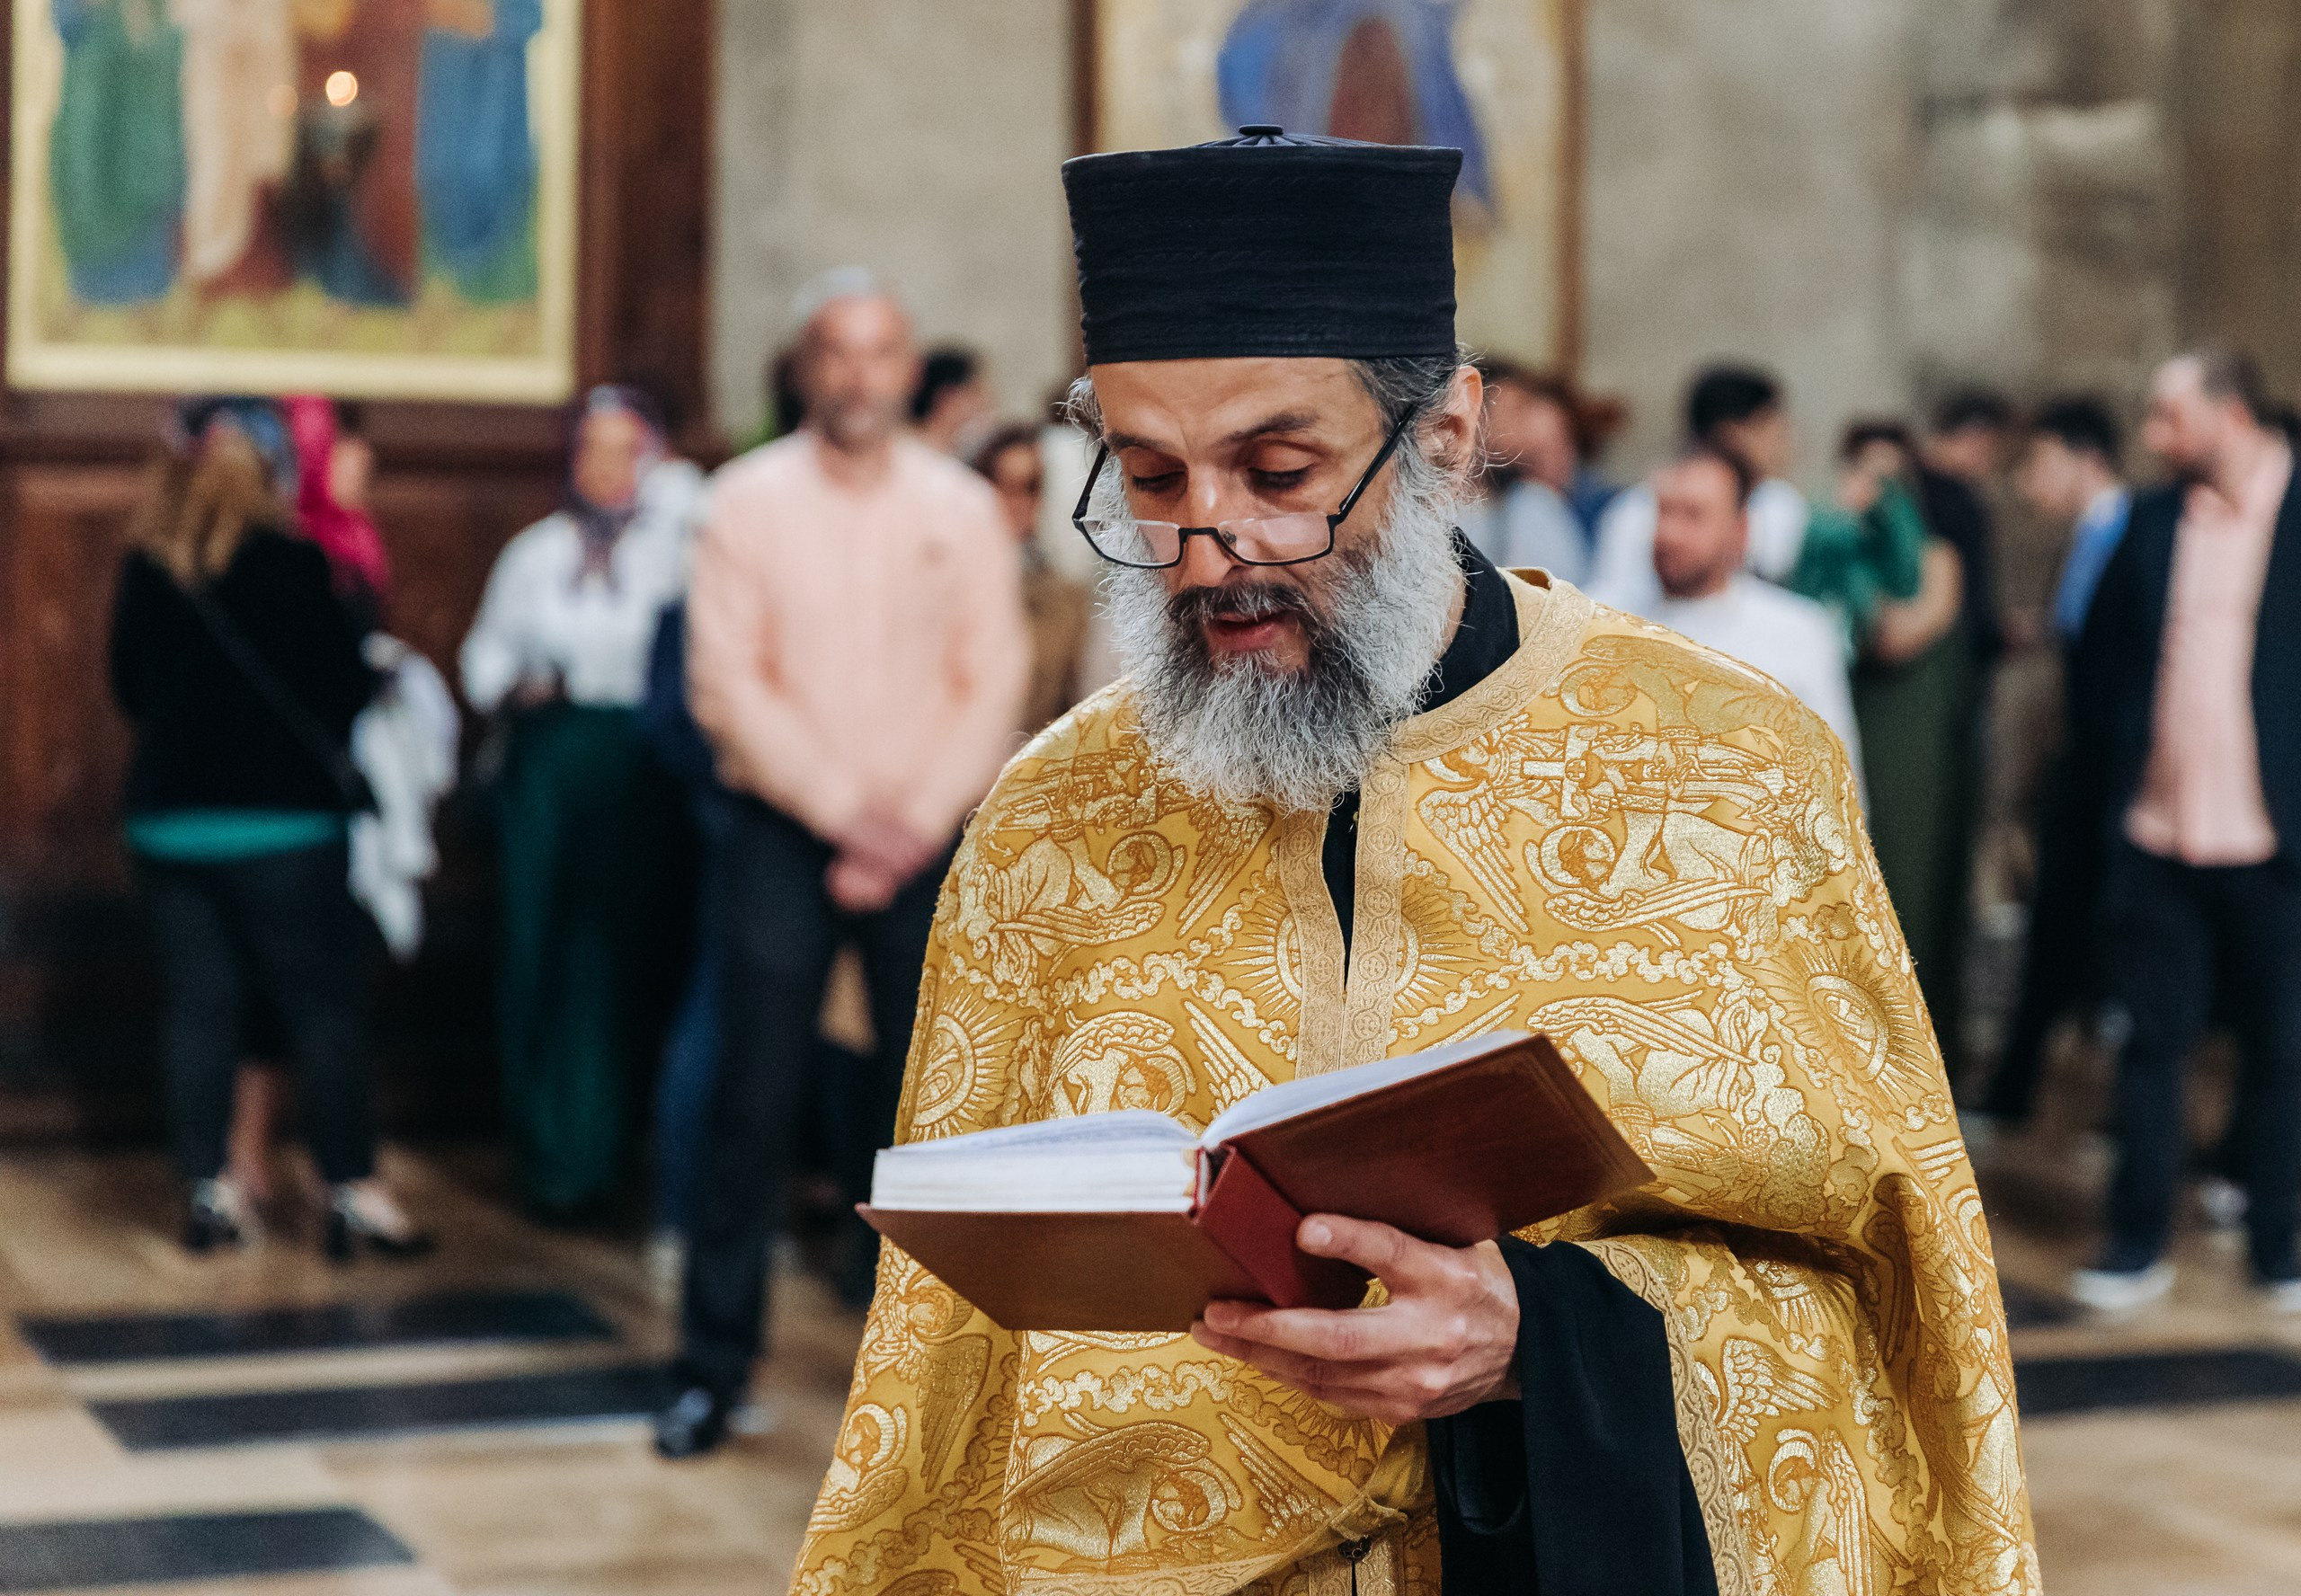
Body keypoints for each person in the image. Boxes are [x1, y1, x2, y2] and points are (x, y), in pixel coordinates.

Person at [789, 131, 2035, 1593]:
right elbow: (934, 1400)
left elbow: (1891, 1323)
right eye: (1149, 477)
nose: (1205, 551)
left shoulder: (1725, 771)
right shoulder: (1048, 821)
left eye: (1276, 471)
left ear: (1444, 433)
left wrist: (1540, 1342)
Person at [658, 273, 1028, 1457]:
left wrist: (910, 821)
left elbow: (994, 677)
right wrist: (839, 812)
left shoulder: (961, 506)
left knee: (923, 1111)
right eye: (837, 353)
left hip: (925, 833)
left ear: (906, 366)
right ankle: (712, 1370)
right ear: (807, 368)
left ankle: (921, 1396)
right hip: (782, 827)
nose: (859, 376)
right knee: (750, 1105)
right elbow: (727, 682)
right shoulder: (743, 502)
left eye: (879, 354)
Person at [109, 403, 429, 1261]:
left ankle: (212, 1190)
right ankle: (351, 1189)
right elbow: (343, 693)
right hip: (287, 828)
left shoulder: (150, 568)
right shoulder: (301, 564)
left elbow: (129, 687)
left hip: (171, 826)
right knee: (322, 1010)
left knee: (199, 1011)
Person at [2066, 349, 2301, 1313]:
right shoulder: (2154, 517)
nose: (2155, 438)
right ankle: (2134, 1242)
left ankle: (2279, 1249)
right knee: (2151, 1047)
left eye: (2170, 417)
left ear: (2231, 414)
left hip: (2274, 839)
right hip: (2158, 831)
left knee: (2283, 1051)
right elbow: (2105, 658)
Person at [459, 386, 701, 1220]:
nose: (606, 468)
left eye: (624, 450)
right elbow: (482, 657)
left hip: (638, 769)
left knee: (620, 954)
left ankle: (609, 1150)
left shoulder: (677, 551)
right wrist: (517, 688)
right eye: (591, 450)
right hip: (549, 765)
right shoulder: (536, 553)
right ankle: (546, 1152)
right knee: (540, 945)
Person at [1971, 398, 2131, 1132]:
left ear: (2082, 456)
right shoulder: (2094, 533)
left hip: (2107, 771)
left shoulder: (2129, 530)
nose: (2032, 482)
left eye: (2040, 462)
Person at [1612, 446, 1861, 771]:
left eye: (1693, 515)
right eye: (1664, 512)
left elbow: (1839, 779)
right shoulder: (1601, 618)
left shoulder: (1799, 630)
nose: (1670, 534)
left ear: (1740, 530)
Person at [1589, 363, 1809, 610]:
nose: (1786, 442)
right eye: (1773, 428)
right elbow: (1607, 598)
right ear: (1732, 434)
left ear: (1741, 529)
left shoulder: (1777, 502)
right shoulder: (1634, 508)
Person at [971, 421, 1091, 734]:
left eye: (1030, 486)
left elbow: (1071, 709)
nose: (1017, 501)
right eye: (1002, 484)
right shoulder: (943, 582)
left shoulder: (1064, 599)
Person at [1458, 359, 1589, 582]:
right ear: (1477, 419)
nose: (1529, 427)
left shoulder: (1530, 500)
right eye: (1517, 412)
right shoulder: (1443, 507)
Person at [911, 343, 996, 457]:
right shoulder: (913, 456)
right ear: (949, 396)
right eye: (977, 391)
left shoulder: (955, 457)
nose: (986, 404)